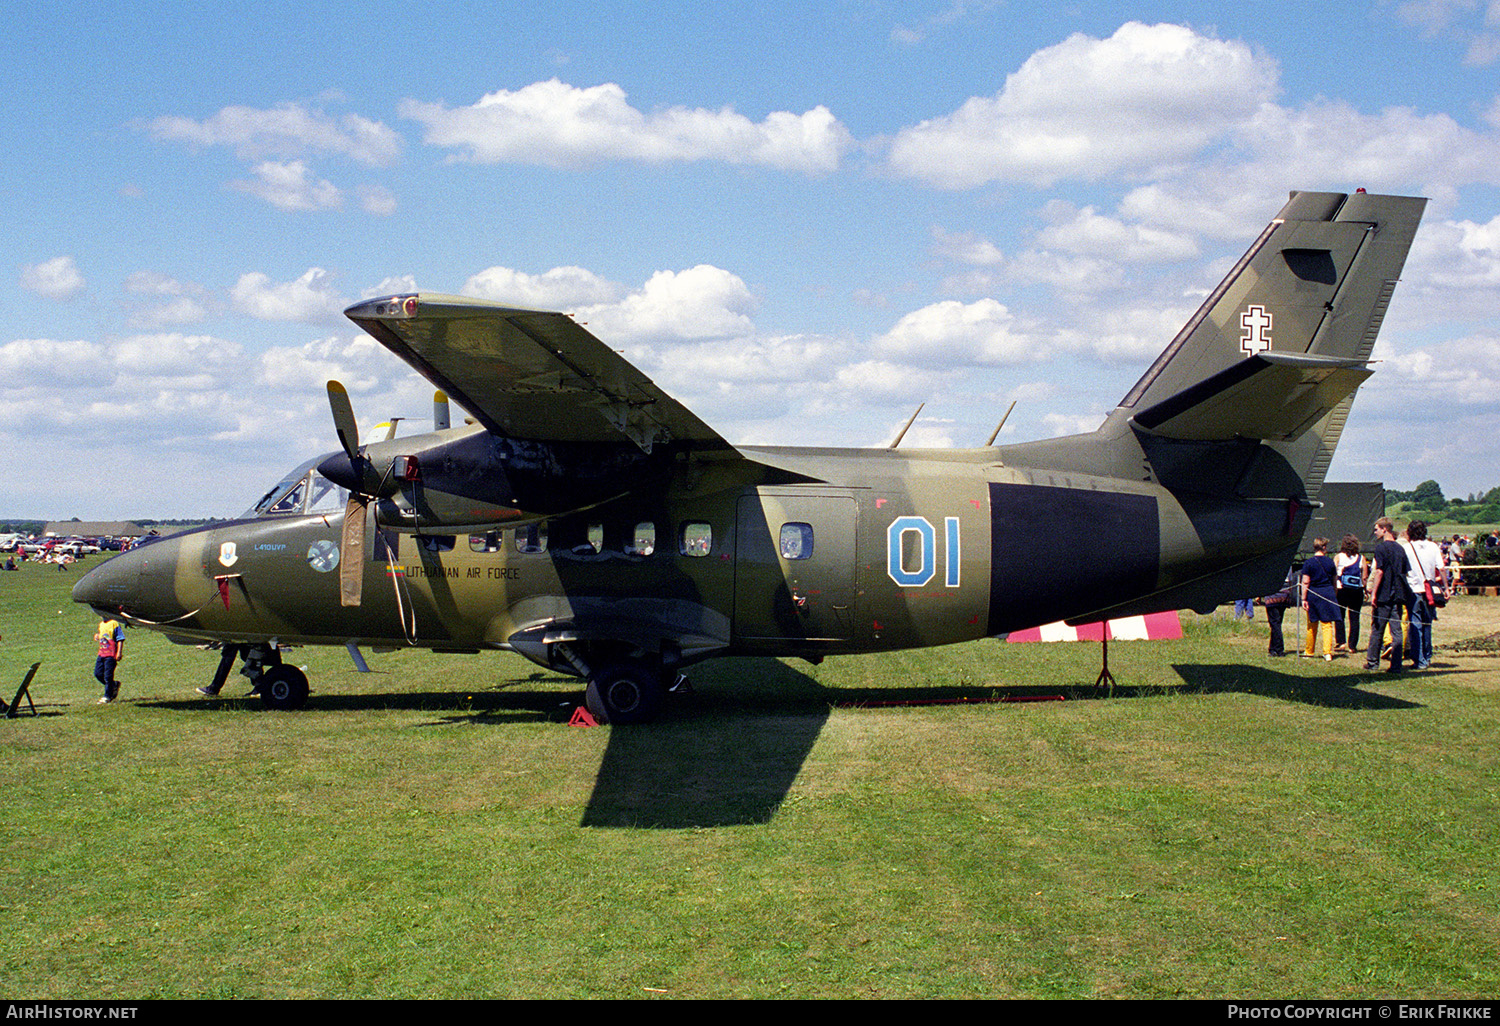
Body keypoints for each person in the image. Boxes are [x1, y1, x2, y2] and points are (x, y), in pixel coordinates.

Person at [1364, 518, 1411, 673]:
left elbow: (1379, 571)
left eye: (1376, 529)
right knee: (1397, 631)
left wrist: (1374, 594)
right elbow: (1405, 571)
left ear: (1385, 529)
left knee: (1378, 629)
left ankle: (1372, 662)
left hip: (1384, 594)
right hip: (1398, 594)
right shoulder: (1400, 549)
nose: (1375, 532)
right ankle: (1396, 664)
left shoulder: (1381, 548)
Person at [1400, 519, 1446, 670]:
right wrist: (1445, 587)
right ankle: (1427, 656)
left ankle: (1419, 659)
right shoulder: (1433, 546)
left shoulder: (1407, 548)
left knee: (1415, 625)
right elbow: (1442, 568)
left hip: (1413, 589)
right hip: (1430, 590)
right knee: (1427, 624)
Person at [1300, 538, 1340, 660]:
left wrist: (1303, 598)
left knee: (1312, 623)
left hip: (1314, 593)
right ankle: (1327, 653)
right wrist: (1334, 594)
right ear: (1323, 548)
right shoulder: (1330, 562)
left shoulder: (1309, 563)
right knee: (1327, 624)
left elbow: (1306, 582)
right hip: (1328, 592)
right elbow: (1334, 581)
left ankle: (1309, 651)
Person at [1333, 534, 1366, 654]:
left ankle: (1341, 642)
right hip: (1357, 590)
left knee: (1340, 616)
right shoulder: (1361, 557)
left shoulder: (1338, 557)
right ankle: (1353, 645)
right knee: (1355, 618)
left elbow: (1334, 573)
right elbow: (1364, 576)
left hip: (1342, 589)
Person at [1259, 566, 1297, 656]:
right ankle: (1272, 648)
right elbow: (1291, 580)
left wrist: (1260, 594)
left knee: (1275, 623)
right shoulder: (1288, 563)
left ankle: (1278, 649)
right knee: (1277, 622)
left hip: (1273, 592)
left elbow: (1264, 578)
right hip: (1285, 593)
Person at [94, 617, 125, 703]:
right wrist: (97, 636)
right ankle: (113, 685)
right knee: (98, 674)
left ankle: (107, 696)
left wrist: (119, 652)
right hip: (101, 654)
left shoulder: (114, 623)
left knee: (108, 676)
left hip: (110, 655)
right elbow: (103, 635)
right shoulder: (102, 624)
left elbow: (120, 639)